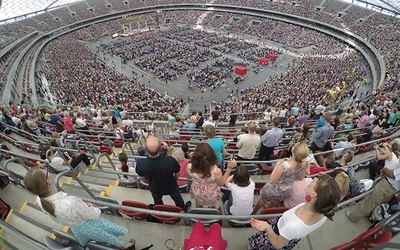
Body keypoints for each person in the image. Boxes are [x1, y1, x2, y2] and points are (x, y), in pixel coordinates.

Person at [24, 167, 135, 249]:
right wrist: (94, 208)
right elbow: (94, 215)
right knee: (108, 235)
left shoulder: (40, 200)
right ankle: (125, 247)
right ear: (48, 182)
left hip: (76, 228)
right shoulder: (70, 202)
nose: (48, 170)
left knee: (99, 237)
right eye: (47, 171)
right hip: (90, 224)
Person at [249, 174, 341, 250]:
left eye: (316, 181)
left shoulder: (293, 226)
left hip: (276, 235)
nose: (314, 178)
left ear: (314, 194)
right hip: (287, 234)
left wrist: (267, 227)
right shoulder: (325, 212)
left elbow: (277, 244)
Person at [253, 142, 310, 214]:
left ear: (293, 151)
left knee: (263, 200)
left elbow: (272, 180)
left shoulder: (282, 164)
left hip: (272, 189)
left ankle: (254, 212)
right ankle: (266, 210)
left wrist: (277, 165)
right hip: (285, 191)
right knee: (274, 201)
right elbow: (300, 178)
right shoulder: (303, 165)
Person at [136, 136, 190, 211]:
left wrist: (150, 181)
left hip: (154, 187)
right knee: (178, 199)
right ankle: (183, 210)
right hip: (171, 186)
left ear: (145, 149)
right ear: (160, 148)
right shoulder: (170, 161)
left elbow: (143, 178)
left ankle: (160, 213)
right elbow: (177, 174)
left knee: (157, 201)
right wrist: (174, 179)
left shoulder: (141, 164)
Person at [186, 143, 236, 208]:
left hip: (197, 191)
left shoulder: (190, 167)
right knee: (212, 206)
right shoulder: (216, 171)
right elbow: (220, 183)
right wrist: (229, 169)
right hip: (211, 192)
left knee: (198, 205)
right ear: (211, 155)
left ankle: (199, 215)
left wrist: (193, 160)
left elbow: (188, 176)